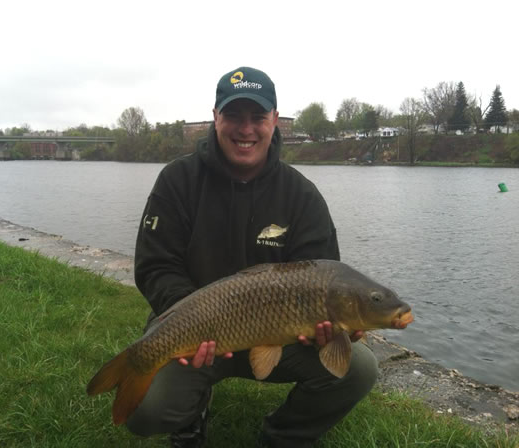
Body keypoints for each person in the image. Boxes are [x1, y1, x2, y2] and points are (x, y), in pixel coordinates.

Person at [129, 66, 378, 448]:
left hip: (280, 333)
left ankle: (283, 435)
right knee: (144, 413)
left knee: (358, 368)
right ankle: (190, 414)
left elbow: (324, 277)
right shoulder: (178, 180)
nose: (245, 129)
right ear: (216, 118)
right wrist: (190, 316)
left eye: (257, 117)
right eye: (233, 116)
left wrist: (328, 328)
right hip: (198, 331)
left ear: (275, 121)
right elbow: (155, 266)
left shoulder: (302, 196)